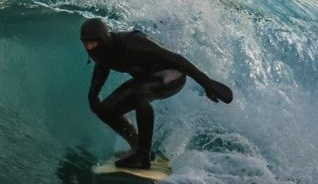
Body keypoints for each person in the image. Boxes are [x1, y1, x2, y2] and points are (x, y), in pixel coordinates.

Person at [80, 18, 234, 170]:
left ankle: (143, 156)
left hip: (172, 74)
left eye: (92, 42)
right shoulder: (102, 52)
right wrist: (93, 95)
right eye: (85, 42)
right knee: (105, 110)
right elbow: (102, 68)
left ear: (104, 39)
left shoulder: (132, 41)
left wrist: (207, 84)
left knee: (140, 92)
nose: (88, 46)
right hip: (146, 79)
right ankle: (136, 147)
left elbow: (175, 58)